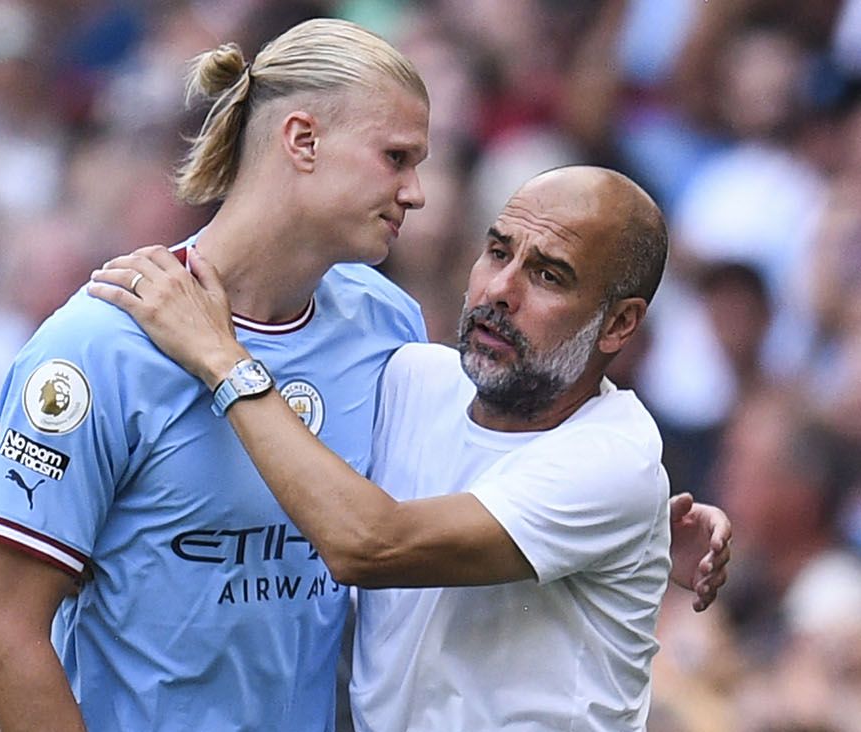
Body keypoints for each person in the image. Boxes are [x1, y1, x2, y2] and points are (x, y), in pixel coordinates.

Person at [0, 19, 728, 732]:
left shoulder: (383, 328)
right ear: (302, 140)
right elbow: (5, 640)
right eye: (397, 157)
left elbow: (405, 517)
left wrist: (637, 530)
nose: (417, 193)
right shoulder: (98, 346)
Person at [89, 164, 729, 730]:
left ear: (619, 323)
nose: (500, 290)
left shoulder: (617, 458)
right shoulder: (407, 380)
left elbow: (368, 543)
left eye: (549, 276)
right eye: (498, 251)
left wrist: (219, 356)